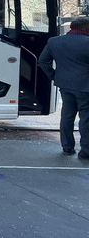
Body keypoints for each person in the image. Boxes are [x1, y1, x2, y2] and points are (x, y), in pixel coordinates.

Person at [38, 17, 89, 157]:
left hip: (64, 85)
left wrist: (54, 76)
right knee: (86, 118)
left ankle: (67, 147)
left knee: (67, 115)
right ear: (86, 28)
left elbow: (42, 61)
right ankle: (85, 151)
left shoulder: (54, 41)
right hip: (86, 87)